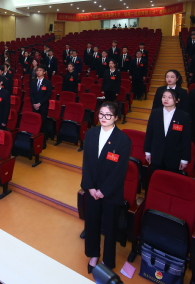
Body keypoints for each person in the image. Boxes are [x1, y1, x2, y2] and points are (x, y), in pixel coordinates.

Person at [81, 101, 131, 272]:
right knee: (92, 223)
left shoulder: (123, 140)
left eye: (108, 115)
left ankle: (108, 261)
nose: (103, 118)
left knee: (110, 228)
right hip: (92, 189)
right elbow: (87, 163)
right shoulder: (91, 133)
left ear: (116, 117)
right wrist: (90, 187)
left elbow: (120, 171)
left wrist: (103, 191)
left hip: (111, 192)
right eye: (101, 114)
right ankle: (93, 254)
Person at [144, 89, 191, 175]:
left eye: (170, 97)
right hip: (156, 154)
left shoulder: (183, 116)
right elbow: (149, 133)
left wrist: (184, 159)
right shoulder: (155, 113)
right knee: (155, 178)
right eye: (164, 97)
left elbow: (186, 139)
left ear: (177, 100)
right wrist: (147, 151)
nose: (166, 99)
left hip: (174, 156)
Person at [30, 65, 52, 131]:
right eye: (37, 70)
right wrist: (34, 104)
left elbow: (48, 95)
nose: (38, 72)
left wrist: (39, 103)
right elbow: (31, 94)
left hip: (43, 105)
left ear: (44, 72)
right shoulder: (33, 82)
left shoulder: (47, 82)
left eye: (40, 70)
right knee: (34, 121)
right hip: (34, 105)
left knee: (42, 122)